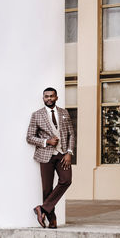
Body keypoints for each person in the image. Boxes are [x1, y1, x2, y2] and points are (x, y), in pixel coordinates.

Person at [26, 87, 75, 228]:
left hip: (62, 154)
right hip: (45, 155)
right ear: (43, 98)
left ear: (56, 97)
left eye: (51, 96)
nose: (49, 98)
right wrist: (46, 141)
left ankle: (42, 208)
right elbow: (29, 137)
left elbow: (71, 134)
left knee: (66, 180)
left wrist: (69, 153)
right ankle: (51, 219)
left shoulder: (64, 113)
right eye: (46, 96)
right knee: (47, 188)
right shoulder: (37, 115)